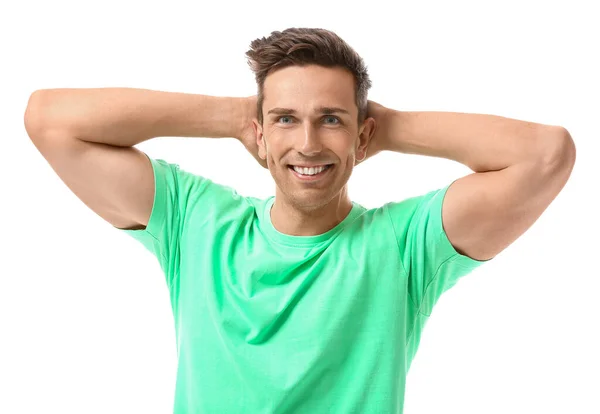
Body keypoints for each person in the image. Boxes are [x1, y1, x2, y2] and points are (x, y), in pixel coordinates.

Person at [24, 27, 575, 414]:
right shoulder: (196, 222)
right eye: (285, 119)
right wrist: (235, 117)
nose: (308, 143)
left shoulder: (404, 247)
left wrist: (385, 126)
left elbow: (545, 155)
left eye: (330, 120)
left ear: (362, 134)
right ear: (259, 133)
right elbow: (49, 121)